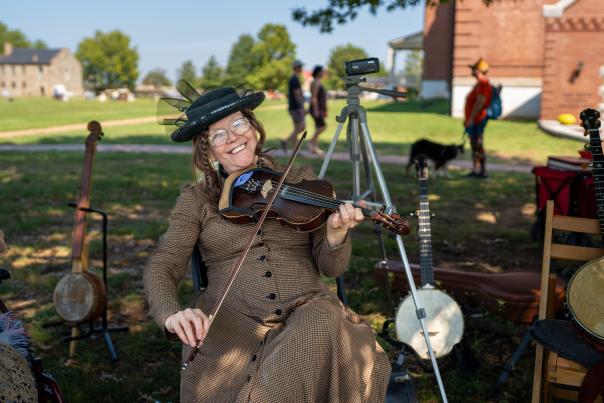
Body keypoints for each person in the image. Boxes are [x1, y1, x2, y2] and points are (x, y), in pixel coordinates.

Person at [145, 82, 391, 402]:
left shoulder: (299, 181)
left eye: (238, 124)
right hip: (234, 324)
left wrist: (334, 234)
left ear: (253, 126)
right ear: (206, 150)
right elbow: (162, 265)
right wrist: (171, 314)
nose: (233, 138)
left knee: (320, 323)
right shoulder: (197, 200)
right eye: (218, 134)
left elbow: (333, 266)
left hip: (309, 313)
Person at [464, 57, 493, 179]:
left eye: (473, 68)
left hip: (477, 120)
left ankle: (483, 172)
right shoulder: (479, 84)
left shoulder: (483, 84)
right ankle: (476, 170)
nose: (471, 70)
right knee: (474, 144)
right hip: (473, 120)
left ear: (479, 70)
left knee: (478, 144)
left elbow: (480, 102)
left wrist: (470, 118)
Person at [281, 59, 306, 152]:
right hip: (296, 108)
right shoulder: (294, 79)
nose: (302, 68)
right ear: (296, 68)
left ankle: (292, 147)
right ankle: (288, 142)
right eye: (300, 67)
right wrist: (302, 107)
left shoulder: (294, 78)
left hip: (294, 107)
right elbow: (297, 94)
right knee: (300, 127)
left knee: (298, 128)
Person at [308, 65, 328, 156]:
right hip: (316, 108)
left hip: (319, 108)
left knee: (318, 128)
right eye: (323, 71)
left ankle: (314, 148)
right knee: (322, 127)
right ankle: (311, 141)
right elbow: (314, 97)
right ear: (319, 72)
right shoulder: (316, 82)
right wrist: (316, 110)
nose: (324, 73)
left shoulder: (317, 81)